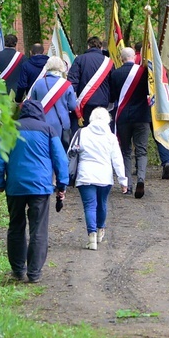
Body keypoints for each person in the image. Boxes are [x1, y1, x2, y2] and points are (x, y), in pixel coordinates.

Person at [0, 100, 68, 283]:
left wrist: (0, 182)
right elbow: (61, 160)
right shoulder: (49, 130)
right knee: (38, 229)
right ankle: (34, 273)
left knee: (16, 227)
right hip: (40, 187)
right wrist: (62, 185)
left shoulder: (10, 129)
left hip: (15, 186)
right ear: (40, 113)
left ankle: (18, 270)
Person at [70, 107, 128, 250]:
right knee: (102, 204)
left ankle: (92, 237)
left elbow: (70, 153)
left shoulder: (81, 133)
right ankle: (101, 230)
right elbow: (117, 160)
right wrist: (123, 180)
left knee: (90, 206)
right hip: (104, 176)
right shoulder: (111, 137)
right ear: (107, 120)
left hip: (85, 175)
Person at [110, 47, 149, 198]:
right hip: (142, 117)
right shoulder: (144, 72)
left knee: (125, 151)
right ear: (134, 57)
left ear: (121, 58)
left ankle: (129, 184)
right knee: (141, 151)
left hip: (123, 118)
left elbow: (112, 98)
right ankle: (141, 178)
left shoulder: (115, 74)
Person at [134, 42, 169, 179]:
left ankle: (139, 166)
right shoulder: (158, 64)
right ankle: (166, 161)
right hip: (159, 104)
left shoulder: (135, 62)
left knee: (140, 138)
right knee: (160, 136)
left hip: (143, 105)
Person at [29, 57, 77, 148]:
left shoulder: (38, 83)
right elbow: (72, 106)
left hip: (41, 122)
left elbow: (33, 104)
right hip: (61, 124)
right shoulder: (66, 85)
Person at [67, 36, 114, 125]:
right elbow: (112, 83)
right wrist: (111, 100)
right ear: (101, 48)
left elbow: (72, 81)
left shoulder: (80, 59)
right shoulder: (109, 62)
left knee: (85, 129)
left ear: (88, 46)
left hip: (85, 102)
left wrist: (71, 100)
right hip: (103, 101)